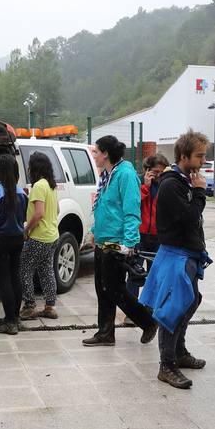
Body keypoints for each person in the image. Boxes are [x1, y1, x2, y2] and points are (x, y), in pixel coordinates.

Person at [139, 130, 210, 389]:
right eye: (199, 156)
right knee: (173, 310)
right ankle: (166, 366)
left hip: (187, 254)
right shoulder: (172, 184)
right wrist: (200, 192)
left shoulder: (182, 181)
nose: (203, 162)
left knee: (191, 302)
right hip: (175, 256)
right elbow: (190, 216)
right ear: (183, 156)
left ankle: (178, 352)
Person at [84, 135, 159, 347]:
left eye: (96, 152)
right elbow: (105, 207)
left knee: (115, 288)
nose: (94, 155)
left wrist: (128, 243)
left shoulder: (125, 174)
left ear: (106, 153)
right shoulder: (108, 174)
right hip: (103, 240)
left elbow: (131, 211)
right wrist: (94, 231)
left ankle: (147, 321)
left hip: (117, 242)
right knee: (102, 288)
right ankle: (105, 332)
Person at [0, 152, 29, 334]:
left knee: (4, 281)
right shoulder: (21, 192)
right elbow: (24, 216)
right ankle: (15, 317)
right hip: (18, 240)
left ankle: (9, 322)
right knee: (15, 277)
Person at [19, 151, 60, 320]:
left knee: (24, 270)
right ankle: (50, 307)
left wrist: (27, 229)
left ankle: (29, 306)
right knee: (46, 270)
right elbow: (56, 210)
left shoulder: (38, 186)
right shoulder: (51, 185)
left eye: (29, 165)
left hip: (39, 237)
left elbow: (39, 213)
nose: (28, 168)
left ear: (35, 167)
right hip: (53, 236)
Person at [126, 154, 170, 308]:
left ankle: (150, 308)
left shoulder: (167, 184)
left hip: (158, 236)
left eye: (161, 172)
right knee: (134, 273)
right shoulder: (137, 182)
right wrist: (145, 186)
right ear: (147, 170)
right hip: (140, 236)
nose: (159, 175)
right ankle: (132, 310)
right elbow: (133, 204)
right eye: (156, 172)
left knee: (156, 275)